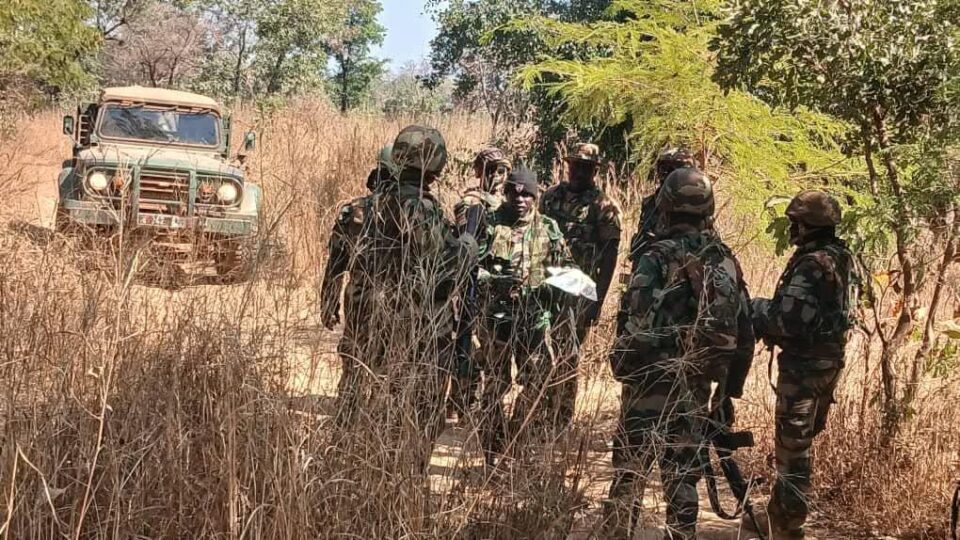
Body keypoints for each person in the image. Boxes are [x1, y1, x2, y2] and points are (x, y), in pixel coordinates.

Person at [603, 168, 750, 540]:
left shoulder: (655, 256)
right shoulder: (725, 261)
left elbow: (637, 322)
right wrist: (726, 393)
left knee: (630, 474)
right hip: (696, 386)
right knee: (683, 478)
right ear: (708, 210)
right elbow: (743, 329)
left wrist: (622, 364)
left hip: (648, 384)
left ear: (666, 208)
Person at [350, 125, 478, 468]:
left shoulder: (372, 203)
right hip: (419, 331)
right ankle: (409, 479)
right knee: (421, 412)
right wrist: (468, 240)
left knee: (380, 405)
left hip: (377, 324)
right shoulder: (422, 209)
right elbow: (447, 268)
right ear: (435, 166)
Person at [745, 190, 856, 539]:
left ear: (811, 226)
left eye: (796, 222)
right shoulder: (843, 257)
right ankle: (778, 515)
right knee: (799, 444)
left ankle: (790, 528)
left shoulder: (812, 264)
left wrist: (756, 309)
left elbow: (788, 322)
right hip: (829, 364)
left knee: (793, 453)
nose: (792, 229)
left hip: (804, 371)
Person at [475, 165, 575, 467]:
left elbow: (567, 270)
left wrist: (548, 286)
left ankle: (516, 444)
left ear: (535, 196)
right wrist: (493, 281)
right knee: (494, 385)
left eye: (526, 193)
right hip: (496, 320)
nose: (519, 199)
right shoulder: (489, 225)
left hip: (534, 320)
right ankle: (492, 451)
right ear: (505, 193)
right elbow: (469, 268)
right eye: (513, 192)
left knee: (538, 382)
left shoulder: (548, 228)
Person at [540, 142, 622, 427]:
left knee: (566, 355)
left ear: (595, 170)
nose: (578, 171)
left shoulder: (604, 207)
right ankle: (537, 413)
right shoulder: (550, 197)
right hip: (544, 285)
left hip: (577, 292)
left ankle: (560, 419)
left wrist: (597, 300)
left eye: (585, 167)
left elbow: (610, 256)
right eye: (574, 165)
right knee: (538, 351)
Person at [320, 145, 395, 427]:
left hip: (361, 297)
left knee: (354, 357)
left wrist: (328, 302)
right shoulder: (418, 214)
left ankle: (348, 417)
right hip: (396, 301)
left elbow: (335, 265)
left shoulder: (354, 211)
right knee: (386, 363)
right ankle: (372, 419)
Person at [449, 148, 512, 421]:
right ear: (479, 172)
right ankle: (463, 402)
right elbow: (468, 243)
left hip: (501, 287)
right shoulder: (472, 201)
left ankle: (486, 405)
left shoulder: (509, 201)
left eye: (502, 170)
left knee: (494, 345)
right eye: (491, 170)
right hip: (474, 282)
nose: (497, 177)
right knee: (470, 343)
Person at [629, 147, 697, 272]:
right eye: (664, 168)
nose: (668, 174)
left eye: (675, 168)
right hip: (647, 268)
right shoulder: (650, 203)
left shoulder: (694, 204)